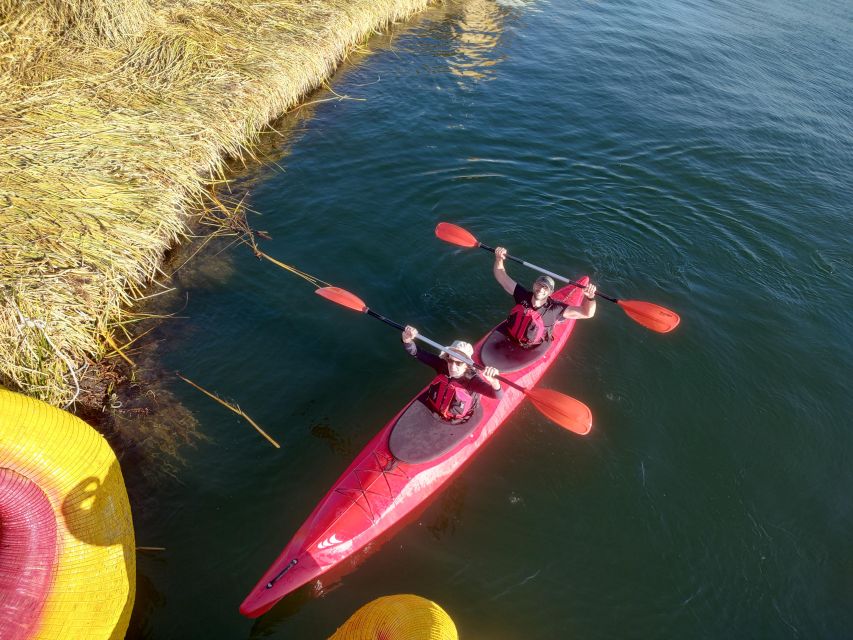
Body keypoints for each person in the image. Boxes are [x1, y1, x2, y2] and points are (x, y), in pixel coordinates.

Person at [493, 246, 597, 348]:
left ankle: (560, 320)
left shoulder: (555, 308)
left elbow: (587, 313)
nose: (541, 289)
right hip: (510, 336)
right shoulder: (522, 295)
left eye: (545, 288)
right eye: (539, 285)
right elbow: (501, 276)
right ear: (534, 285)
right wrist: (499, 259)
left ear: (551, 292)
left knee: (560, 318)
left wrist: (590, 297)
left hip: (532, 347)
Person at [401, 325, 502, 423]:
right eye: (450, 360)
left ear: (467, 365)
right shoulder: (442, 365)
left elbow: (498, 396)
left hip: (456, 419)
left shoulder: (472, 380)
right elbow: (416, 352)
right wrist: (407, 340)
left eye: (459, 363)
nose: (452, 367)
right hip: (435, 407)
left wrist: (494, 381)